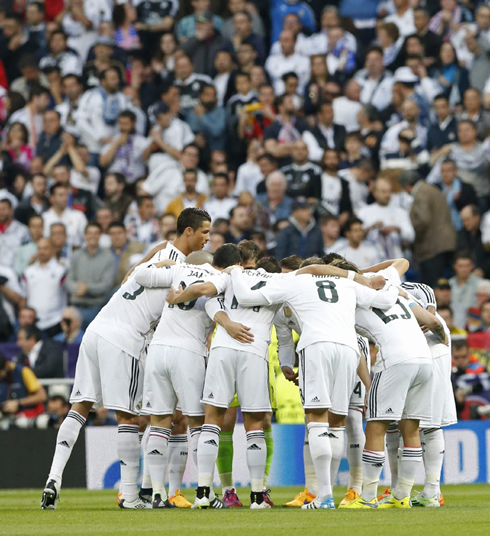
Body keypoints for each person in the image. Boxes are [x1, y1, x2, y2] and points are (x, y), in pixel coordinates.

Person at [40, 208, 211, 511]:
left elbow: (134, 274)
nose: (207, 239)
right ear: (188, 232)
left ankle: (53, 478)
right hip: (124, 338)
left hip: (96, 330)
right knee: (130, 418)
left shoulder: (156, 256)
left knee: (79, 407)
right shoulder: (180, 270)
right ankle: (131, 495)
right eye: (204, 232)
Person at [218, 253, 400, 509]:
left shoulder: (294, 280)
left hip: (316, 345)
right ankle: (329, 494)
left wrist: (235, 272)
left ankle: (323, 495)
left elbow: (247, 297)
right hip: (350, 348)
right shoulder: (347, 284)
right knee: (337, 422)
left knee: (316, 420)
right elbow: (385, 299)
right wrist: (390, 280)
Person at [134, 249, 252, 508]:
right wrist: (228, 324)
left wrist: (164, 261)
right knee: (199, 423)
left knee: (159, 421)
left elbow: (140, 274)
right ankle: (205, 492)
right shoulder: (220, 278)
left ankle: (156, 494)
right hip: (188, 352)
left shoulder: (177, 269)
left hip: (157, 349)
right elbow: (207, 297)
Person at [398, 170, 457, 287]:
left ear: (406, 185)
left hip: (432, 247)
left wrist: (410, 237)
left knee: (430, 286)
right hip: (444, 243)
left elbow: (422, 220)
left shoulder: (420, 193)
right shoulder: (431, 189)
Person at [66, 222, 116, 329]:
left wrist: (87, 288)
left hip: (96, 308)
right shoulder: (76, 256)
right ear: (85, 235)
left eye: (96, 233)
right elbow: (69, 280)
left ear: (100, 235)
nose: (92, 236)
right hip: (76, 308)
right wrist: (77, 288)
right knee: (75, 344)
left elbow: (107, 285)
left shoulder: (108, 258)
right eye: (89, 233)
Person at [76, 68, 130, 165]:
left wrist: (116, 140)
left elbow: (126, 122)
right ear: (103, 82)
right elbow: (81, 121)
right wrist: (99, 137)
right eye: (113, 79)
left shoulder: (122, 98)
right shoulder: (90, 96)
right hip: (92, 148)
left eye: (117, 78)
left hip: (113, 148)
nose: (117, 81)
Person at [357, 177, 415, 261]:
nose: (387, 195)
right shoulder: (364, 212)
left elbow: (411, 236)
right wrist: (372, 227)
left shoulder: (400, 212)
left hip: (396, 262)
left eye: (389, 191)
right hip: (371, 262)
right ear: (375, 193)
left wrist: (396, 229)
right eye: (383, 192)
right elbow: (356, 237)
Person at [21, 237, 67, 337]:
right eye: (40, 248)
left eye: (45, 248)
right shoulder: (28, 272)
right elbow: (24, 297)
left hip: (55, 320)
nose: (42, 251)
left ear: (52, 249)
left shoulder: (61, 271)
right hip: (33, 321)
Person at [99, 110, 151, 185]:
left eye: (126, 124)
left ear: (133, 123)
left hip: (135, 182)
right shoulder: (113, 140)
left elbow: (146, 160)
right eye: (120, 123)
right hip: (116, 181)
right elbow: (102, 162)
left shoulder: (142, 141)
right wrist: (116, 144)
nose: (123, 127)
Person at [0, 352, 47, 424]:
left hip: (25, 416)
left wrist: (18, 403)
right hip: (4, 417)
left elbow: (42, 396)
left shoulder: (23, 371)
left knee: (22, 422)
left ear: (6, 365)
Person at [42, 183, 88, 249]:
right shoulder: (44, 217)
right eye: (61, 195)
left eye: (66, 195)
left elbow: (86, 239)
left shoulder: (79, 216)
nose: (65, 198)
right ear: (52, 198)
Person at [449, 253, 482, 329]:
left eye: (467, 266)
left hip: (475, 325)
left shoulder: (482, 284)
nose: (464, 269)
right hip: (453, 326)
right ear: (454, 267)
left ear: (472, 266)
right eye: (460, 266)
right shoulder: (449, 285)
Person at [108, 222, 145, 288]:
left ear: (125, 233)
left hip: (130, 287)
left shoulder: (138, 248)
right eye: (112, 234)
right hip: (107, 289)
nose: (116, 237)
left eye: (119, 233)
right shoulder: (105, 252)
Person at [0, 198, 31, 269]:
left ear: (11, 210)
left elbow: (28, 251)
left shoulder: (22, 230)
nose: (1, 212)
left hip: (15, 271)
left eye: (4, 209)